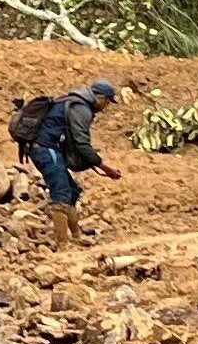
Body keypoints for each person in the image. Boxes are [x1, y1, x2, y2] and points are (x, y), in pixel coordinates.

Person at [7, 79, 125, 244]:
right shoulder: (81, 108)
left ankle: (76, 238)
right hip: (45, 149)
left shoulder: (71, 100)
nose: (106, 106)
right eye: (107, 101)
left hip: (45, 148)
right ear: (100, 98)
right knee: (61, 194)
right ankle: (62, 245)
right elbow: (82, 144)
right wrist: (105, 168)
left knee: (72, 191)